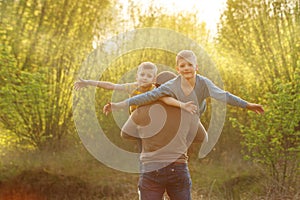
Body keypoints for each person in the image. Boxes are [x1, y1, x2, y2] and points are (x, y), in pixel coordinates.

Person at [120, 71, 207, 200]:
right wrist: (181, 136)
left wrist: (144, 135)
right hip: (178, 166)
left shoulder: (141, 109)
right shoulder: (187, 111)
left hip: (151, 167)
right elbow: (202, 137)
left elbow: (125, 134)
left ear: (156, 87)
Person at [103, 50, 264, 116]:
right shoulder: (171, 84)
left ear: (196, 67)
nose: (186, 68)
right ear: (178, 69)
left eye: (189, 65)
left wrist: (247, 105)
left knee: (201, 134)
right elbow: (147, 96)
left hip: (196, 112)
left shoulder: (204, 83)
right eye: (182, 66)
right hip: (180, 110)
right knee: (158, 99)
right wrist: (119, 105)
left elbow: (224, 96)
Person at [74, 61, 197, 114]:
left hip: (151, 116)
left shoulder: (154, 89)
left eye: (149, 76)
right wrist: (88, 82)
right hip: (136, 116)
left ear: (154, 79)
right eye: (142, 75)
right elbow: (110, 86)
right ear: (137, 76)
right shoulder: (132, 86)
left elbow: (166, 99)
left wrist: (183, 105)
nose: (144, 78)